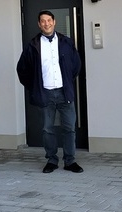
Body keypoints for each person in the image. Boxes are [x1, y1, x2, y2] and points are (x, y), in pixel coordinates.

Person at [17, 10, 83, 174]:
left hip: (64, 92)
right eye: (43, 21)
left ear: (54, 22)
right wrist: (34, 87)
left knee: (69, 128)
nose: (46, 24)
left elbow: (76, 65)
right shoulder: (32, 45)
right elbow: (22, 69)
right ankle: (52, 160)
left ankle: (70, 161)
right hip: (44, 93)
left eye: (49, 20)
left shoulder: (66, 42)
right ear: (39, 24)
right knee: (47, 129)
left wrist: (67, 82)